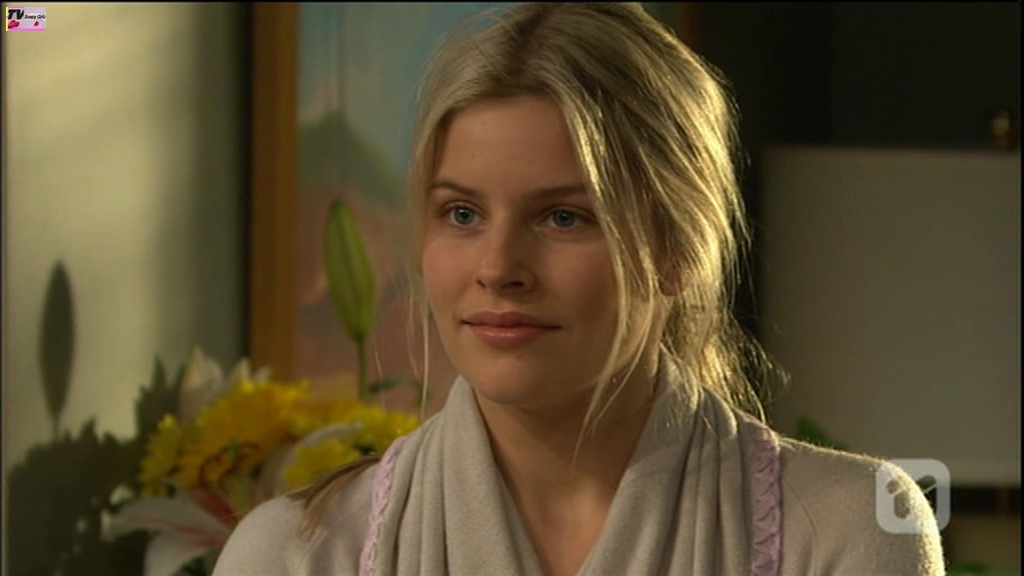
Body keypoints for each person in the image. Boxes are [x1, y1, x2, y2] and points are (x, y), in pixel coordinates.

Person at [213, 3, 945, 575]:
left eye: (563, 217)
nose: (498, 266)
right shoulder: (294, 555)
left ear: (677, 248)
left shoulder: (847, 530)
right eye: (462, 214)